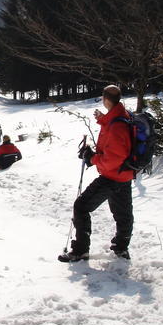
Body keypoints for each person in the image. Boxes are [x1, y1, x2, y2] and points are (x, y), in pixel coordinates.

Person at [59, 85, 134, 262]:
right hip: (124, 175)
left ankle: (80, 250)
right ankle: (121, 248)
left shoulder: (117, 125)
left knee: (81, 206)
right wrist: (102, 119)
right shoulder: (121, 115)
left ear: (105, 99)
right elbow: (114, 136)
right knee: (123, 214)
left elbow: (112, 159)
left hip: (112, 176)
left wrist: (92, 158)